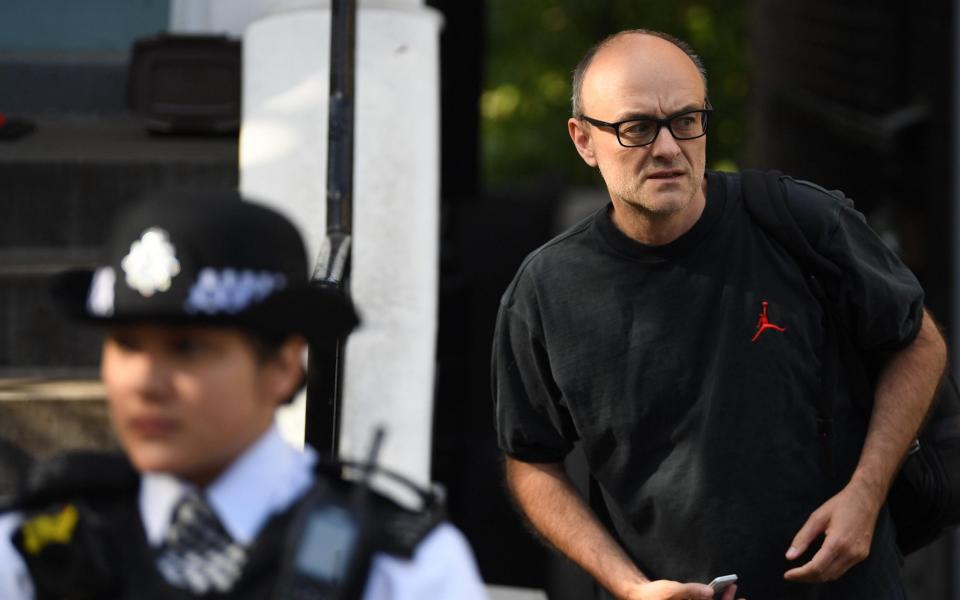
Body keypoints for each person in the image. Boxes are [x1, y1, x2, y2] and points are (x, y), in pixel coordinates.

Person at [491, 29, 947, 600]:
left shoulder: (800, 223)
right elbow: (531, 459)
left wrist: (866, 492)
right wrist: (629, 587)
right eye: (636, 127)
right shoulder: (546, 291)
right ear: (583, 141)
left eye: (686, 120)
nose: (667, 147)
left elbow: (918, 341)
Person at [0, 190, 487, 599]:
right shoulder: (33, 548)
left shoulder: (399, 568)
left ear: (282, 366)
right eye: (126, 345)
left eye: (188, 348)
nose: (145, 382)